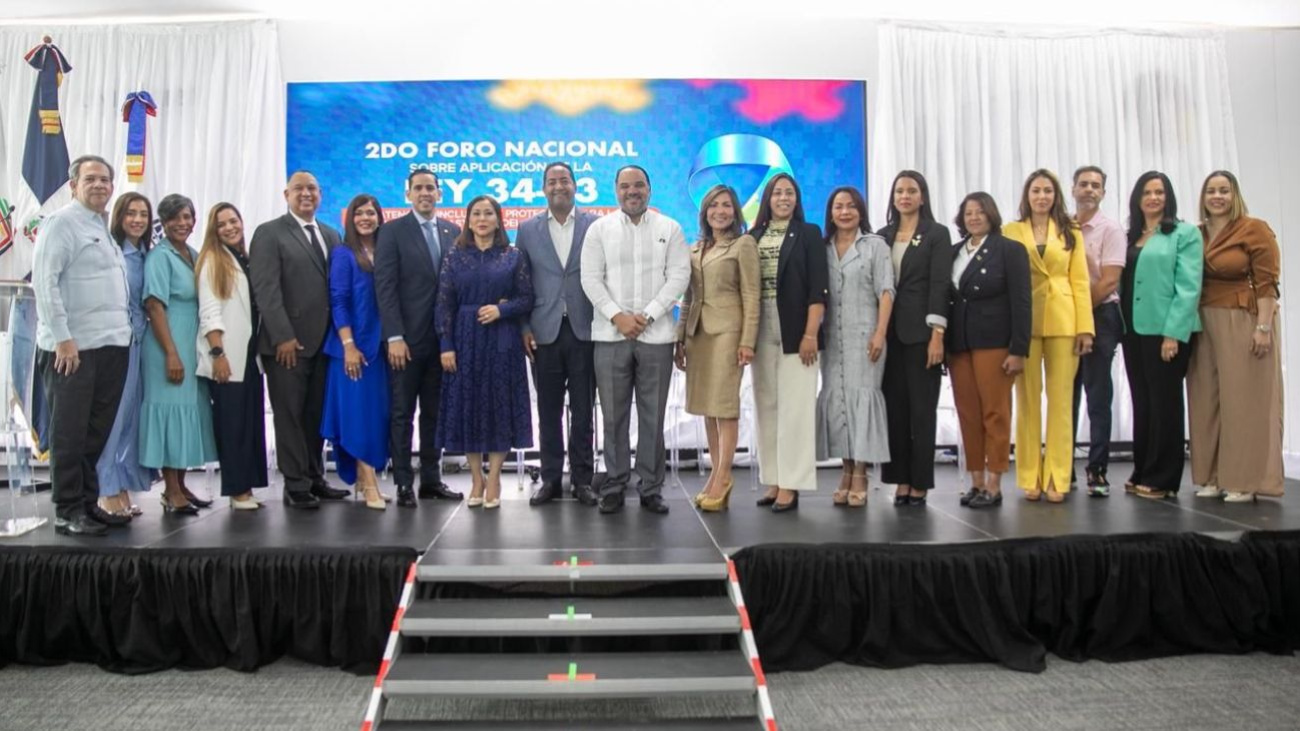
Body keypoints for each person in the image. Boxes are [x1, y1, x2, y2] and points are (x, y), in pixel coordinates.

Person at [580, 165, 690, 515]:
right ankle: (614, 483)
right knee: (613, 416)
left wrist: (648, 315)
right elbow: (590, 279)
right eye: (625, 186)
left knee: (652, 416)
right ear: (616, 190)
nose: (632, 191)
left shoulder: (670, 228)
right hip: (610, 335)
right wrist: (618, 316)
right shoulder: (599, 229)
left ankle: (651, 487)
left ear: (649, 189)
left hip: (656, 337)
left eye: (639, 185)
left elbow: (679, 277)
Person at [32, 155, 132, 536]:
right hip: (73, 350)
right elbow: (44, 282)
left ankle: (88, 503)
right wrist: (63, 338)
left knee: (95, 433)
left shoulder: (101, 227)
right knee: (69, 433)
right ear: (73, 185)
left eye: (105, 179)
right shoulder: (61, 224)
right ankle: (68, 509)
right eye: (90, 179)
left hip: (111, 345)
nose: (99, 185)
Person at [249, 171, 350, 509]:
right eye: (299, 189)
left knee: (314, 416)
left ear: (320, 194)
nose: (306, 194)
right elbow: (266, 289)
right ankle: (295, 484)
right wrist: (283, 336)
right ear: (286, 194)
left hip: (324, 344)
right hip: (287, 345)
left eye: (312, 189)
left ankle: (314, 477)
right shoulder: (270, 233)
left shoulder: (331, 234)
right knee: (289, 415)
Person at [1189, 171, 1283, 503]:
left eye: (1224, 191)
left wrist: (1263, 327)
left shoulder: (1254, 229)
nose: (1217, 197)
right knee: (1206, 400)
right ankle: (1212, 476)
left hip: (1243, 319)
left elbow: (1268, 283)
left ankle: (1243, 480)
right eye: (1211, 191)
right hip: (1202, 322)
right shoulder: (1196, 233)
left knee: (1242, 401)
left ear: (1235, 195)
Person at [436, 195, 534, 508]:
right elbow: (444, 303)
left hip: (502, 341)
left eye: (488, 213)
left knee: (498, 407)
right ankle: (476, 478)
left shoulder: (513, 255)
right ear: (468, 219)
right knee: (468, 406)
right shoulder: (454, 255)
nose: (482, 219)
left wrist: (501, 310)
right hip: (464, 340)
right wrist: (446, 345)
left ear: (498, 219)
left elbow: (527, 298)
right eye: (476, 213)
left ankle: (494, 479)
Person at [374, 170, 464, 508]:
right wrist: (394, 335)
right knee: (402, 414)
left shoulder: (453, 231)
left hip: (442, 343)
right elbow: (385, 287)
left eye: (430, 188)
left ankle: (431, 480)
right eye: (419, 188)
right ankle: (402, 483)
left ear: (440, 193)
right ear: (408, 194)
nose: (425, 193)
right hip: (406, 343)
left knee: (434, 414)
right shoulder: (392, 232)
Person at [1003, 169, 1094, 503]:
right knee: (1027, 401)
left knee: (1061, 402)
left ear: (1056, 196)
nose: (1042, 196)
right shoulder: (1011, 231)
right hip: (1024, 324)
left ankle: (1058, 476)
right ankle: (1030, 475)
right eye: (1036, 190)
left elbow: (1080, 280)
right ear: (1027, 195)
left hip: (1064, 320)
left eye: (1047, 191)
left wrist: (1085, 327)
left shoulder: (1071, 231)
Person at [516, 162, 600, 506]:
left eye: (564, 180)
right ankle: (550, 479)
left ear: (576, 185)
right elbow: (520, 283)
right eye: (551, 181)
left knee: (583, 412)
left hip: (585, 329)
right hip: (543, 332)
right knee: (548, 412)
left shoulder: (596, 224)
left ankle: (582, 480)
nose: (558, 186)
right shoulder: (526, 229)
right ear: (543, 188)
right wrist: (523, 327)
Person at [674, 184, 759, 512]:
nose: (719, 211)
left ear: (735, 211)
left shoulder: (743, 244)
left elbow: (751, 295)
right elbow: (688, 297)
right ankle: (715, 475)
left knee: (724, 406)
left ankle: (723, 477)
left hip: (728, 333)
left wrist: (747, 340)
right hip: (698, 335)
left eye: (726, 205)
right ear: (705, 212)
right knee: (708, 407)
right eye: (713, 205)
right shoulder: (695, 248)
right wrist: (680, 338)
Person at [1121, 171, 1202, 499]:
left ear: (1169, 197)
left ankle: (1164, 478)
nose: (1153, 198)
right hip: (1133, 330)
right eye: (1147, 192)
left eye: (1159, 192)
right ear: (1137, 199)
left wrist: (1173, 334)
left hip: (1165, 331)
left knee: (1164, 403)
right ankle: (1143, 468)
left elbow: (1189, 287)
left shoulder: (1185, 234)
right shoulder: (1131, 236)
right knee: (1142, 401)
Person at [749, 173, 827, 513]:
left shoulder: (809, 233)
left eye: (789, 193)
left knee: (795, 410)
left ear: (797, 199)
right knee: (766, 405)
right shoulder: (752, 236)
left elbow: (818, 289)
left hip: (798, 330)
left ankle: (791, 484)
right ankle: (774, 478)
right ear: (767, 199)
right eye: (777, 192)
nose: (783, 198)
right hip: (760, 328)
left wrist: (810, 333)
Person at [947, 193, 1030, 509]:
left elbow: (1022, 301)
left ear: (991, 215)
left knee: (995, 413)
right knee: (968, 414)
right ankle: (976, 481)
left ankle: (994, 484)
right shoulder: (954, 252)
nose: (974, 217)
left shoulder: (1009, 250)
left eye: (980, 212)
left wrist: (1018, 348)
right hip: (960, 344)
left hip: (994, 342)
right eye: (968, 212)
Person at [139, 193, 218, 515]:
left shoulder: (193, 254)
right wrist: (171, 353)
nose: (182, 223)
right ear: (164, 222)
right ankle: (170, 490)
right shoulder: (160, 256)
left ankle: (182, 485)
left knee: (189, 414)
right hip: (167, 345)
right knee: (171, 415)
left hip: (191, 345)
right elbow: (154, 306)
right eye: (175, 218)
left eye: (187, 217)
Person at [814, 186, 892, 508]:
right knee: (839, 403)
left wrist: (880, 332)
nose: (844, 212)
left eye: (850, 206)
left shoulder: (875, 245)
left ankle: (861, 472)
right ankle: (845, 471)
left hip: (866, 336)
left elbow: (886, 291)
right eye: (838, 207)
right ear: (830, 213)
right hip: (832, 339)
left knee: (863, 401)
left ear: (860, 210)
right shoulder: (822, 248)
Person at [879, 170, 952, 507]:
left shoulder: (936, 234)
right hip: (888, 335)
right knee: (895, 411)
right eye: (899, 191)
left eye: (911, 191)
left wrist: (938, 334)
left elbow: (940, 285)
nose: (904, 196)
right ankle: (901, 479)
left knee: (922, 410)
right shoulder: (882, 236)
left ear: (922, 196)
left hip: (922, 334)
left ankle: (920, 481)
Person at [320, 194, 391, 510]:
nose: (365, 218)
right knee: (357, 418)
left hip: (379, 349)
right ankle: (370, 483)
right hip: (351, 351)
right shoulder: (343, 254)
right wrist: (349, 346)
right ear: (350, 218)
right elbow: (339, 301)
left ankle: (366, 480)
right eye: (359, 213)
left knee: (374, 416)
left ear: (379, 217)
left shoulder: (385, 252)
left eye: (371, 213)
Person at [196, 202, 268, 509]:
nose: (229, 227)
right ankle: (237, 491)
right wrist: (218, 354)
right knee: (232, 425)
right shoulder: (213, 260)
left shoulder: (243, 258)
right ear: (213, 230)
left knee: (249, 422)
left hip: (248, 355)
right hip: (227, 356)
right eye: (222, 224)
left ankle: (246, 489)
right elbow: (209, 311)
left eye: (233, 221)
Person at [96, 192, 158, 519]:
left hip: (141, 342)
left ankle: (121, 485)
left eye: (143, 214)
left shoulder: (147, 254)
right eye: (131, 213)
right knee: (114, 418)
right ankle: (105, 490)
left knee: (131, 421)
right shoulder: (112, 252)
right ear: (120, 216)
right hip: (117, 344)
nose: (137, 219)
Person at [1070, 166, 1126, 496]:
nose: (1089, 189)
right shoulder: (1062, 227)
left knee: (1097, 394)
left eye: (1096, 185)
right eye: (1084, 184)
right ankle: (1063, 467)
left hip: (1100, 315)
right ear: (1073, 190)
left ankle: (1097, 469)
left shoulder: (1111, 229)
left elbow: (1109, 281)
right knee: (1066, 393)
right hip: (1066, 319)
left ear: (1103, 193)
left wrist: (1079, 312)